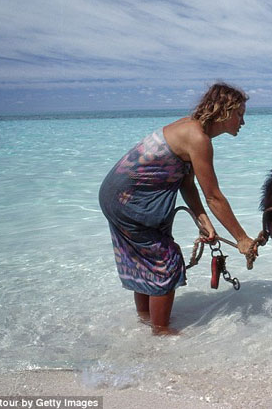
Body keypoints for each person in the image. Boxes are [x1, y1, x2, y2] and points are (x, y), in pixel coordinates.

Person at [99, 83, 257, 334]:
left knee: (143, 261)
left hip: (116, 196)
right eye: (240, 114)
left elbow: (187, 183)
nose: (243, 122)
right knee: (165, 261)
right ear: (225, 111)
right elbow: (214, 196)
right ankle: (161, 332)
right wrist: (242, 238)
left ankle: (145, 320)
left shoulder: (190, 128)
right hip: (131, 202)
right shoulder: (199, 139)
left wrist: (203, 221)